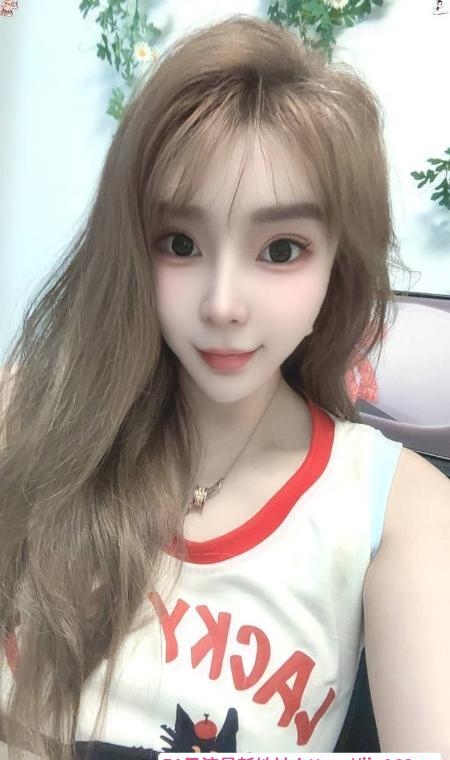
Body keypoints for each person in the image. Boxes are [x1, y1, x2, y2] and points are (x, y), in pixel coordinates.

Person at [1, 14, 449, 760]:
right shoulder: (24, 413)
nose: (222, 304)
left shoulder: (398, 508)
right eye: (180, 243)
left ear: (337, 264)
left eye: (281, 249)